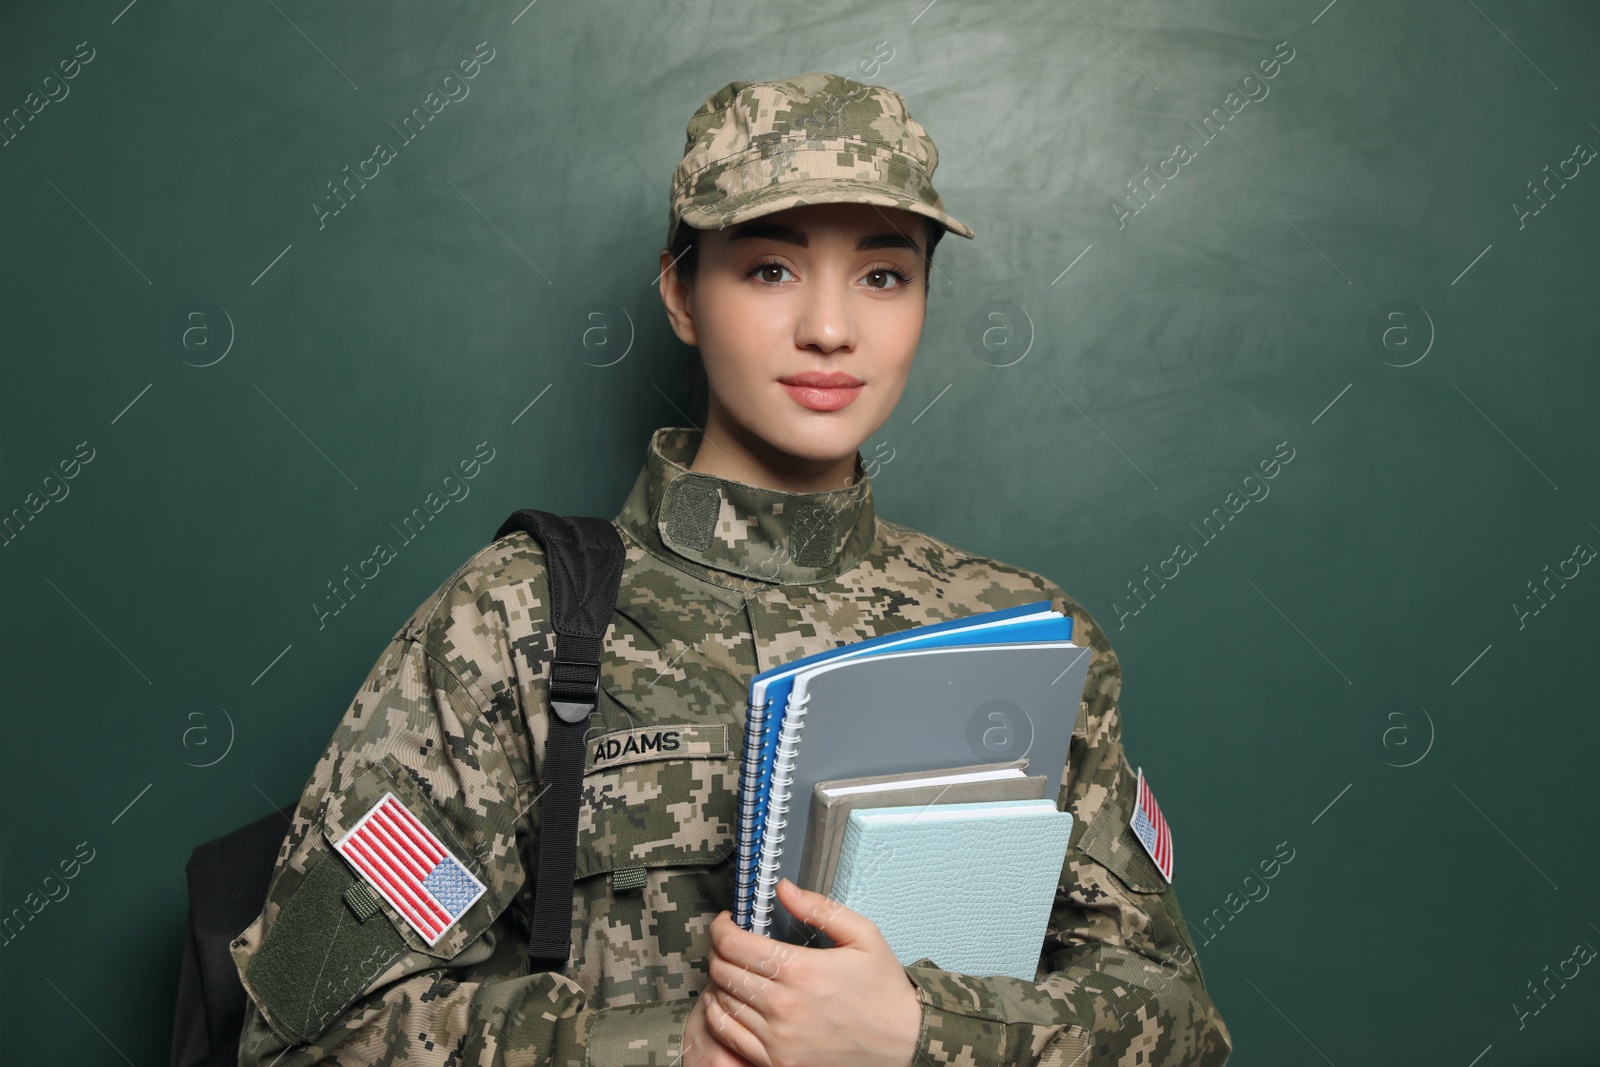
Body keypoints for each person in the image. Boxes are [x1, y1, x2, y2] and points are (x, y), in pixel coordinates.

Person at [229, 72, 1230, 1067]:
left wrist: (920, 1031)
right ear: (680, 291)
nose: (830, 328)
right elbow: (305, 1036)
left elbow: (1176, 1018)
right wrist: (679, 1047)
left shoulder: (1030, 639)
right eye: (769, 270)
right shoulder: (515, 623)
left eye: (883, 275)